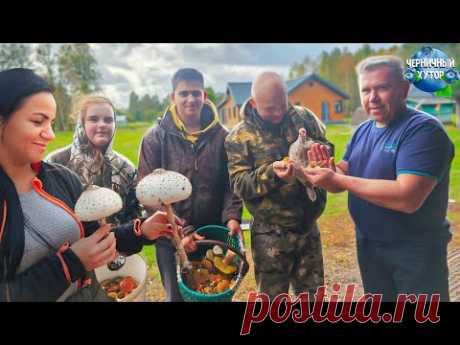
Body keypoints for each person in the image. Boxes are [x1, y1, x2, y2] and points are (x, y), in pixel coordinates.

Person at [0, 68, 178, 301]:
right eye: (37, 121)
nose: (51, 134)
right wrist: (71, 264)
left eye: (52, 122)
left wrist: (140, 231)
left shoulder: (61, 178)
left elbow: (96, 237)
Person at [302, 56, 455, 301]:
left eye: (382, 88)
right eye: (366, 90)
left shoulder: (423, 131)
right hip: (370, 246)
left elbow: (408, 197)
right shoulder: (363, 129)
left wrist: (338, 179)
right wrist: (327, 174)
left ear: (404, 89)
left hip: (415, 252)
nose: (372, 97)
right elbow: (343, 174)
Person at [225, 71, 333, 299]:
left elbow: (326, 145)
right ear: (254, 103)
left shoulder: (304, 118)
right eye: (270, 108)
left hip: (307, 226)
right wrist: (272, 173)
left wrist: (318, 151)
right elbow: (239, 184)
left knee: (314, 300)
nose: (278, 113)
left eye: (282, 105)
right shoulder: (238, 137)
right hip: (270, 234)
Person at [138, 68, 243, 301]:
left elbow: (231, 183)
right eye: (183, 93)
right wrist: (182, 231)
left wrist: (232, 217)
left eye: (196, 93)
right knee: (177, 298)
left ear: (204, 96)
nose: (190, 99)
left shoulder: (222, 137)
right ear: (172, 97)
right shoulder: (155, 138)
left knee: (215, 292)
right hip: (171, 239)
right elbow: (148, 194)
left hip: (212, 234)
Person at [46, 95, 141, 225]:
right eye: (93, 119)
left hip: (117, 243)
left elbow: (134, 217)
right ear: (82, 123)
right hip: (70, 243)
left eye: (108, 120)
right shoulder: (55, 163)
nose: (102, 124)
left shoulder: (126, 168)